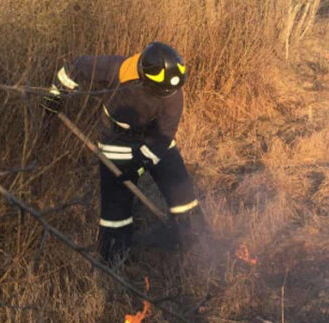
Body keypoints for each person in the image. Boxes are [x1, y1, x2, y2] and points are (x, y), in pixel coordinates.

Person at [41, 41, 206, 264]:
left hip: (156, 137)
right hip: (117, 139)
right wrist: (55, 95)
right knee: (115, 211)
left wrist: (139, 164)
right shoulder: (117, 69)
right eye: (161, 91)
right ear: (144, 79)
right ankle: (115, 259)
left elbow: (164, 135)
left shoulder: (173, 92)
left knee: (183, 197)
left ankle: (195, 244)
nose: (168, 95)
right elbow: (77, 66)